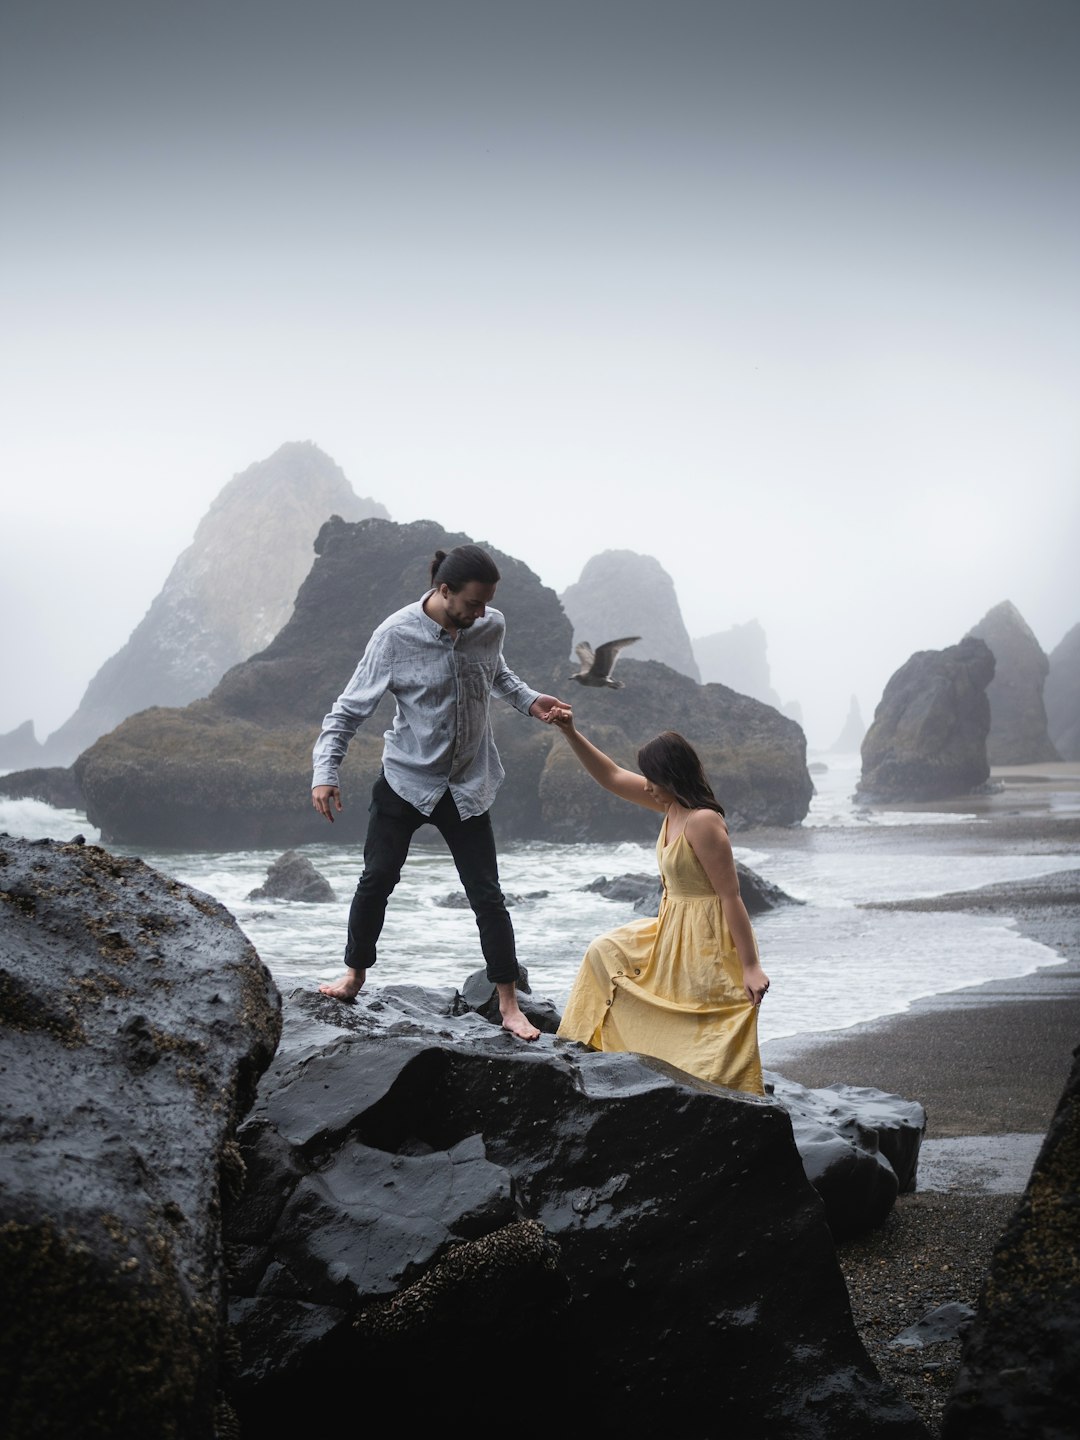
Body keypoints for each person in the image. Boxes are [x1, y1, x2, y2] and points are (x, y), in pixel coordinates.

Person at [311, 543, 565, 1040]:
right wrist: (326, 772)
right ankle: (354, 975)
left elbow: (499, 676)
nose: (481, 613)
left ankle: (510, 1005)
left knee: (488, 896)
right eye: (472, 603)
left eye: (487, 602)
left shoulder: (489, 625)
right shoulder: (394, 635)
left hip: (468, 784)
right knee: (377, 879)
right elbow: (347, 711)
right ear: (443, 591)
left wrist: (531, 702)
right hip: (406, 780)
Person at [545, 707, 769, 1093]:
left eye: (653, 778)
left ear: (672, 777)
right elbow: (611, 776)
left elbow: (731, 897)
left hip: (705, 937)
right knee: (605, 951)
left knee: (701, 1024)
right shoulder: (670, 807)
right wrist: (570, 732)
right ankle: (592, 1046)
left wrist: (751, 966)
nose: (646, 786)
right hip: (670, 925)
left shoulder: (702, 821)